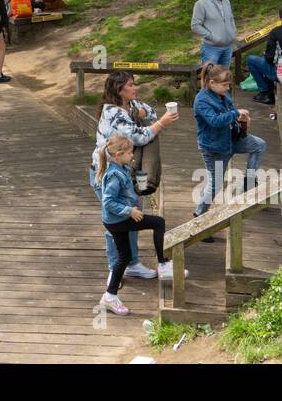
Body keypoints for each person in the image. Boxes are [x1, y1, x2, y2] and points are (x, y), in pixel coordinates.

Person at [90, 72, 181, 286]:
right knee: (116, 223)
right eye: (131, 85)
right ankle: (115, 270)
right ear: (119, 89)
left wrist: (142, 110)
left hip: (127, 174)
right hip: (105, 175)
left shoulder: (128, 105)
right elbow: (140, 136)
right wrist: (162, 123)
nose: (135, 88)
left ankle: (132, 264)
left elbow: (149, 111)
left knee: (134, 219)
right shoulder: (114, 113)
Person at [97, 135, 175, 316]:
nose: (132, 156)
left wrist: (139, 188)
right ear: (118, 154)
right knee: (158, 223)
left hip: (114, 221)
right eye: (130, 153)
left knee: (124, 257)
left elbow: (125, 190)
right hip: (119, 220)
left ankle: (109, 296)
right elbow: (108, 202)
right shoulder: (114, 175)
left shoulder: (121, 168)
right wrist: (129, 211)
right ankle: (163, 265)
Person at [192, 63, 265, 219]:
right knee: (215, 185)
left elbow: (231, 110)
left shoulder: (223, 94)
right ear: (212, 83)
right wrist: (235, 113)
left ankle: (248, 182)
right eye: (224, 85)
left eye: (228, 85)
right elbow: (215, 121)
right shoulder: (201, 101)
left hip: (232, 139)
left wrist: (241, 117)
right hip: (215, 148)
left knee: (259, 145)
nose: (227, 88)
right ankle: (200, 214)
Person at [191, 0, 237, 67]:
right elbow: (195, 25)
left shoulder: (226, 1)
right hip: (211, 49)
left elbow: (231, 19)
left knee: (224, 77)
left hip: (228, 47)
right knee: (211, 77)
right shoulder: (201, 4)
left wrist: (233, 32)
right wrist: (211, 37)